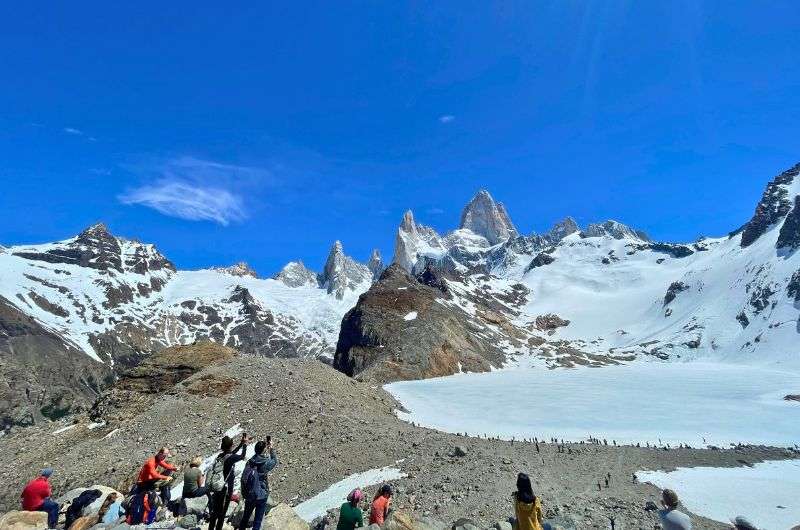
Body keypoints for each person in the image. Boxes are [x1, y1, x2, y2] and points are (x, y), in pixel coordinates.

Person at [207, 433, 249, 530]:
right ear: (230, 445)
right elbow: (242, 456)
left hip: (217, 486)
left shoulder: (221, 455)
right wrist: (245, 444)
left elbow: (232, 454)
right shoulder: (231, 458)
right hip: (225, 489)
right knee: (222, 513)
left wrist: (241, 444)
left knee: (215, 511)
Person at [238, 439, 278, 530]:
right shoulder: (265, 463)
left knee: (245, 517)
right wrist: (271, 449)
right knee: (258, 521)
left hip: (249, 494)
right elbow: (275, 461)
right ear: (264, 450)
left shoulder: (250, 461)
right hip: (261, 494)